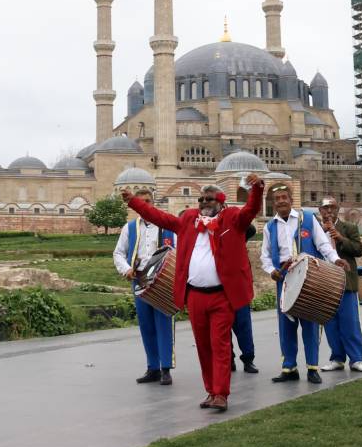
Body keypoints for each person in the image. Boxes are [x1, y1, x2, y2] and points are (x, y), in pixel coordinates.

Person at [122, 175, 263, 413]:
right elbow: (159, 217)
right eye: (201, 199)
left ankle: (221, 393)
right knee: (203, 346)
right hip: (195, 295)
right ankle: (210, 391)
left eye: (209, 199)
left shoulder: (232, 219)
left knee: (219, 344)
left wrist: (257, 188)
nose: (204, 202)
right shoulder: (188, 219)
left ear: (221, 202)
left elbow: (251, 209)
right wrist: (134, 202)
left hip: (222, 295)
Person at [260, 184, 348, 384]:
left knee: (310, 323)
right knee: (286, 327)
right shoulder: (269, 227)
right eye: (277, 198)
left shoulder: (307, 219)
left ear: (291, 200)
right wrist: (271, 271)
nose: (281, 200)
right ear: (273, 204)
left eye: (284, 197)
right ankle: (289, 367)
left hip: (309, 279)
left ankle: (312, 368)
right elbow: (264, 256)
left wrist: (335, 260)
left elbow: (323, 244)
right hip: (284, 282)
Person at [112, 188, 177, 385]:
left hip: (163, 279)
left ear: (153, 202)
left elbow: (181, 251)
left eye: (148, 201)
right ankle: (152, 367)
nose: (145, 205)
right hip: (139, 279)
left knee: (164, 323)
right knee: (146, 325)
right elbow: (118, 253)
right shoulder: (129, 228)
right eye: (141, 202)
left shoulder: (167, 226)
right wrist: (126, 269)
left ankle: (166, 368)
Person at [318, 197, 362, 373]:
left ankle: (356, 359)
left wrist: (340, 238)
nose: (329, 211)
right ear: (320, 211)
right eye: (326, 208)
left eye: (332, 207)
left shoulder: (349, 228)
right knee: (330, 324)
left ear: (337, 209)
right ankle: (337, 358)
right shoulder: (315, 230)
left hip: (345, 282)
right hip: (325, 282)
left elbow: (359, 249)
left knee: (350, 322)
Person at [230, 223, 259, 375]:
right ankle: (228, 359)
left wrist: (232, 219)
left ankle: (248, 359)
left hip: (239, 286)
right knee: (222, 327)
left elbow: (252, 229)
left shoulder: (239, 231)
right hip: (219, 286)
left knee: (243, 325)